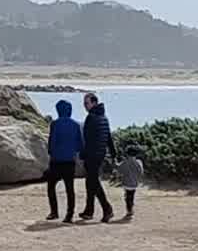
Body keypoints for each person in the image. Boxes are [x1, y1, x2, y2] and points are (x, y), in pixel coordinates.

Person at [79, 91, 116, 223]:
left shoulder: (92, 117)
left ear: (94, 103)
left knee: (93, 182)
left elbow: (87, 139)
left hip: (93, 155)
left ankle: (107, 209)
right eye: (84, 103)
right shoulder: (104, 117)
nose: (85, 106)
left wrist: (83, 154)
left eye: (86, 103)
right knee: (90, 182)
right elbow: (109, 137)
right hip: (100, 155)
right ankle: (89, 211)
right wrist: (113, 154)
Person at [45, 98, 84, 222]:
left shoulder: (55, 124)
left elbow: (51, 143)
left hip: (56, 161)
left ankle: (54, 212)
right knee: (70, 189)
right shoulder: (75, 125)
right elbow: (80, 145)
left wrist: (52, 153)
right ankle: (69, 215)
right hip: (69, 161)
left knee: (51, 187)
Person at [117, 143, 145, 222]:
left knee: (127, 197)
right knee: (131, 195)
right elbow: (141, 172)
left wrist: (115, 163)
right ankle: (130, 209)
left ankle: (129, 210)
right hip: (134, 183)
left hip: (126, 183)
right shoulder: (138, 162)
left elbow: (119, 169)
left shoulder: (125, 162)